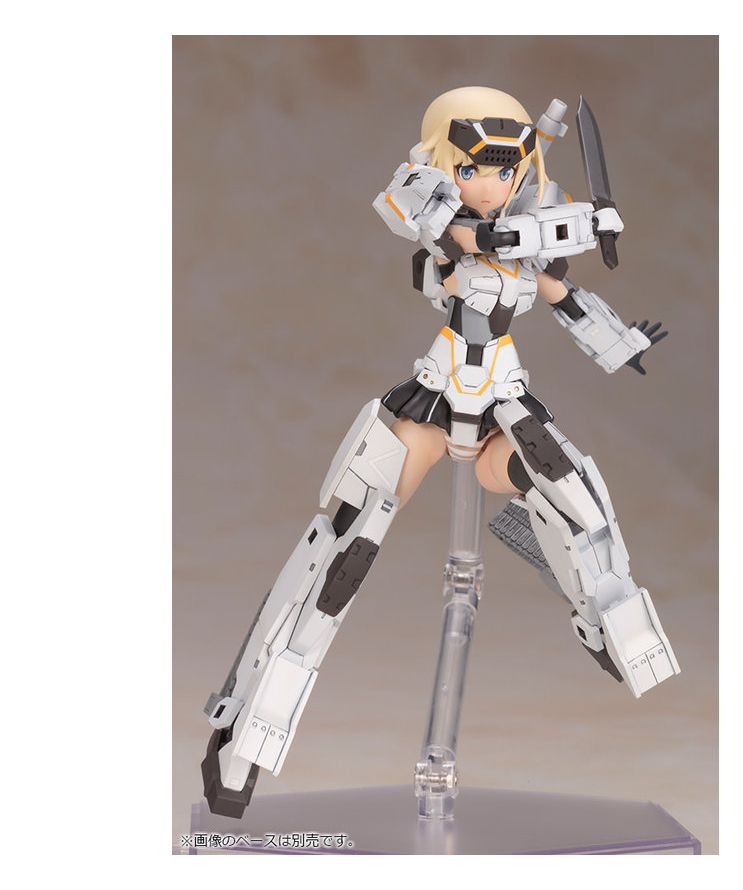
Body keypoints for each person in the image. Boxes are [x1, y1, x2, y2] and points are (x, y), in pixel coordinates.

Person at [201, 86, 678, 818]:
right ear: (443, 163)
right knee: (342, 549)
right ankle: (245, 736)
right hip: (433, 399)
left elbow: (565, 298)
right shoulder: (447, 226)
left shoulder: (525, 240)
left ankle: (612, 634)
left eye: (509, 168)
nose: (493, 184)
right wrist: (567, 226)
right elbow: (447, 232)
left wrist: (623, 342)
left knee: (579, 501)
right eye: (475, 167)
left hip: (500, 407)